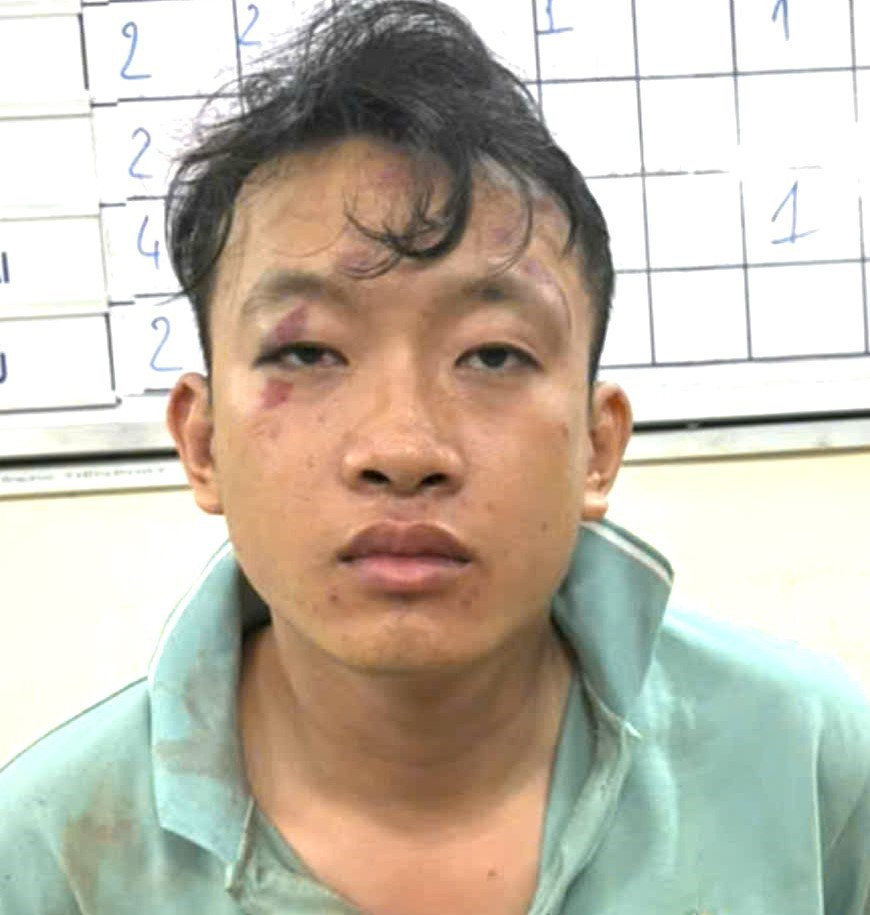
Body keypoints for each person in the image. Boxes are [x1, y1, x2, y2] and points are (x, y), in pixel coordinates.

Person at [1, 1, 868, 912]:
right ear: (204, 441)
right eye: (309, 352)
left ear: (597, 446)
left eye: (492, 356)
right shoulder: (48, 855)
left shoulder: (802, 764)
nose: (403, 449)